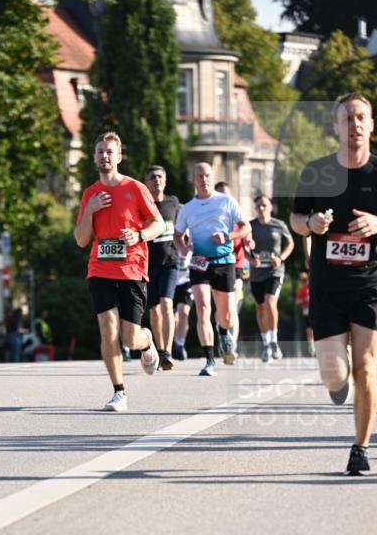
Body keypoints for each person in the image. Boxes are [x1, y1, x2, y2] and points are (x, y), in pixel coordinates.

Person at [291, 92, 377, 476]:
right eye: (347, 118)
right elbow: (296, 218)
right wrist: (310, 225)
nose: (355, 124)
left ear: (371, 125)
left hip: (368, 286)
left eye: (361, 117)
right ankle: (337, 380)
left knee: (366, 366)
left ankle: (360, 448)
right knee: (335, 373)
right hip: (327, 285)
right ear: (335, 126)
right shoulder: (316, 172)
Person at [74, 131, 164, 411]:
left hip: (132, 270)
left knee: (129, 337)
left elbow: (158, 224)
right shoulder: (90, 194)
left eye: (109, 152)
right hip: (100, 270)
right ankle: (119, 392)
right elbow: (81, 239)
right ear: (94, 157)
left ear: (119, 156)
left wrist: (138, 236)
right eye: (100, 151)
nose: (104, 156)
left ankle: (146, 341)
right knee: (107, 330)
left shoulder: (135, 188)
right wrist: (89, 211)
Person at [173, 163, 249, 377]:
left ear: (211, 177)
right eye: (199, 176)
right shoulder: (187, 208)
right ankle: (209, 360)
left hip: (225, 262)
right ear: (193, 179)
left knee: (225, 315)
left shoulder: (225, 201)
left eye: (207, 175)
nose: (204, 179)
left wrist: (228, 237)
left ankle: (223, 331)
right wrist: (183, 250)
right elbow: (177, 236)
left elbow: (246, 227)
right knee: (203, 307)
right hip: (199, 263)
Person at [247, 195, 294, 361]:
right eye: (258, 206)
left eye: (264, 205)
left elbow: (290, 244)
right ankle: (266, 343)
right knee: (260, 307)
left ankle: (274, 341)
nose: (261, 208)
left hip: (274, 271)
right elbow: (241, 246)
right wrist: (250, 259)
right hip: (257, 273)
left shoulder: (279, 225)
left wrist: (280, 258)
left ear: (270, 207)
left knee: (270, 302)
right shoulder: (250, 226)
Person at [143, 165, 181, 369]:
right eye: (152, 177)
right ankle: (159, 351)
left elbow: (183, 225)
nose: (157, 180)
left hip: (170, 262)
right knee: (155, 310)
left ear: (165, 181)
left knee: (167, 303)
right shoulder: (142, 204)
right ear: (146, 182)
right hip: (148, 265)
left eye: (160, 177)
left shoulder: (173, 202)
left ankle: (167, 351)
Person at [215, 181, 250, 353]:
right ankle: (222, 334)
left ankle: (231, 346)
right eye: (220, 194)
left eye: (226, 194)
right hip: (215, 265)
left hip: (236, 266)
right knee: (220, 309)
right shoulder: (211, 218)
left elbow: (248, 239)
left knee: (233, 306)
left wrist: (250, 243)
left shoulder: (239, 218)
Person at [295, 271, 314, 355]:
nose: (306, 281)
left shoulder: (314, 287)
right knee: (309, 330)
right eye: (304, 280)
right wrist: (304, 299)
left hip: (315, 310)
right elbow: (297, 302)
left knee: (316, 329)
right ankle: (312, 346)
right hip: (306, 311)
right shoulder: (302, 289)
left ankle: (316, 345)